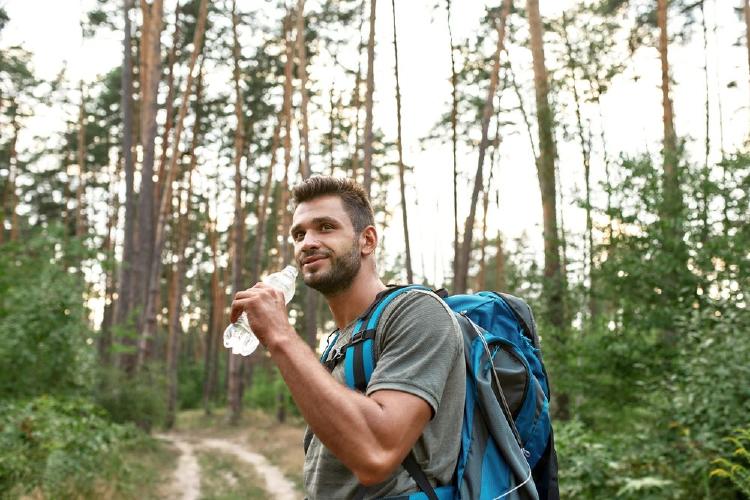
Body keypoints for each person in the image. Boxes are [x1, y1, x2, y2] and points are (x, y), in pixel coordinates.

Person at [230, 176, 465, 499]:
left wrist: (280, 336)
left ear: (367, 240)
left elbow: (376, 455)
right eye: (299, 234)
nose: (307, 242)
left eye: (325, 227)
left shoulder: (418, 312)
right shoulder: (338, 342)